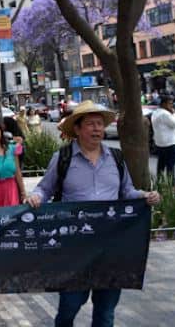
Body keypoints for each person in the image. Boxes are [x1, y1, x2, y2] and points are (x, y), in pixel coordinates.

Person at [25, 101, 161, 327]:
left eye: (100, 124)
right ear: (77, 129)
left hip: (110, 248)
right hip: (75, 249)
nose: (97, 129)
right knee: (69, 306)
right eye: (90, 124)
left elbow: (127, 191)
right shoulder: (63, 158)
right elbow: (44, 189)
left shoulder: (115, 158)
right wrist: (36, 196)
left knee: (106, 311)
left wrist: (145, 196)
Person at [151, 95, 175, 185]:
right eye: (170, 103)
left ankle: (159, 183)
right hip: (169, 143)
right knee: (170, 165)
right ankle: (171, 185)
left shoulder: (155, 113)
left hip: (160, 143)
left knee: (161, 164)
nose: (172, 106)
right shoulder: (165, 114)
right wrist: (174, 113)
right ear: (163, 104)